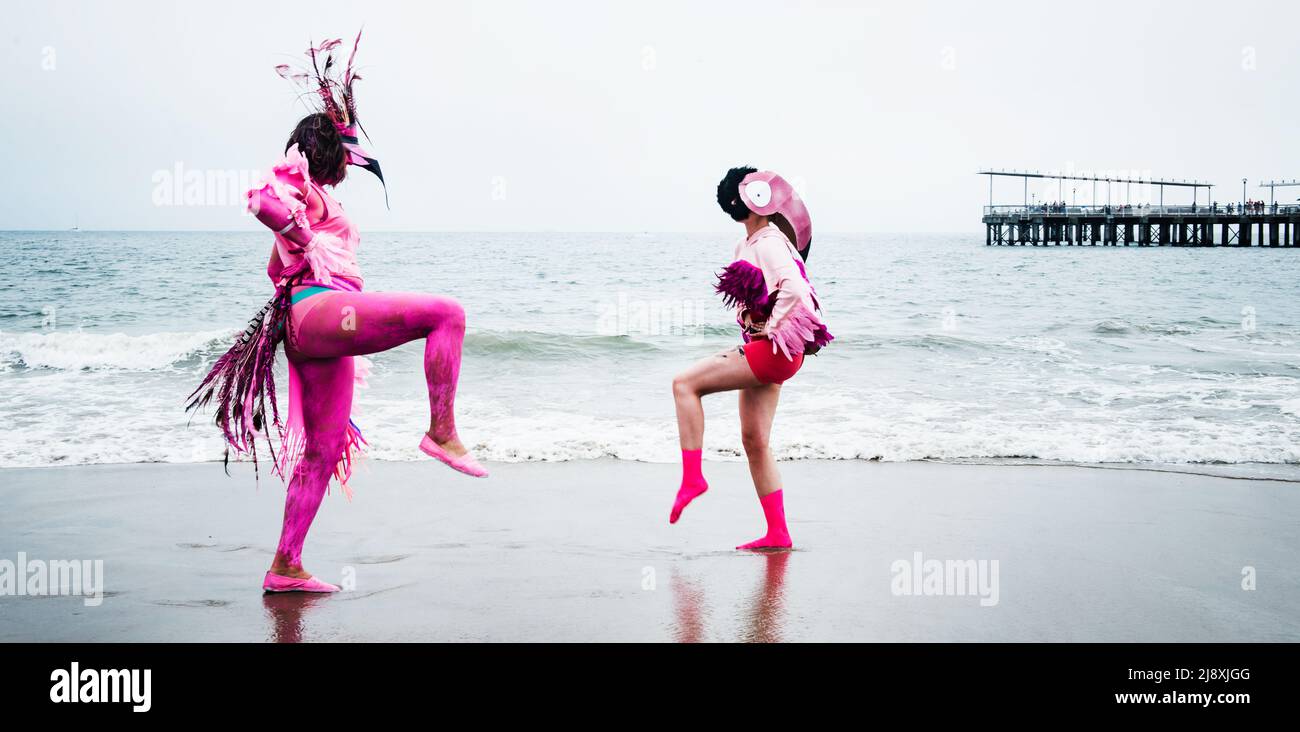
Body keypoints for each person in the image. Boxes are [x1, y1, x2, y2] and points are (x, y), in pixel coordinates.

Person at [188, 33, 486, 594]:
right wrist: (302, 237)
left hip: (316, 325)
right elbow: (259, 201)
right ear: (327, 149)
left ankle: (286, 566)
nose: (353, 159)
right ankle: (441, 431)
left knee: (324, 450)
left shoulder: (321, 196)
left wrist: (301, 247)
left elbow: (278, 264)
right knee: (446, 314)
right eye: (346, 148)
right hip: (320, 313)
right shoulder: (301, 185)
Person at [667, 167, 833, 550]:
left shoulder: (770, 241)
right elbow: (767, 294)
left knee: (684, 384)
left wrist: (772, 327)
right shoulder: (748, 244)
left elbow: (795, 290)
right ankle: (778, 532)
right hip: (776, 351)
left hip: (775, 351)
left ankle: (693, 478)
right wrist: (750, 317)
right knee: (755, 440)